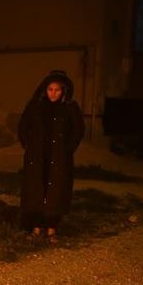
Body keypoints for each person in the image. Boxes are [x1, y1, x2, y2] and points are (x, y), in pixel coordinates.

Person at [18, 70, 85, 243]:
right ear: (44, 90)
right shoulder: (36, 106)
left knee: (56, 192)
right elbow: (23, 127)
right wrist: (28, 146)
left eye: (57, 90)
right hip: (37, 156)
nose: (53, 93)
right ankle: (36, 227)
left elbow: (78, 131)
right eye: (50, 89)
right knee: (35, 191)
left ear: (63, 91)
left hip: (59, 158)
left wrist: (67, 149)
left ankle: (52, 229)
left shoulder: (70, 108)